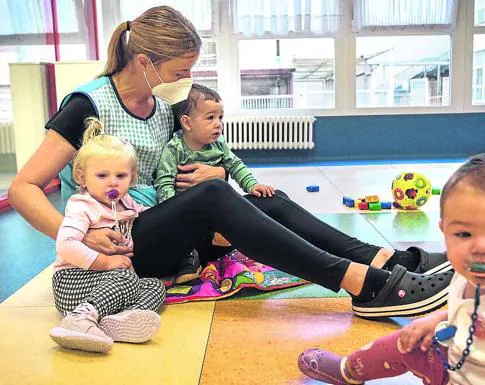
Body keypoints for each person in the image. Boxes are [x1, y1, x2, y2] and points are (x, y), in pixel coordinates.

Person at [7, 5, 452, 319]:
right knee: (218, 195)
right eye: (180, 71)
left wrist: (215, 174)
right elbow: (22, 188)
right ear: (144, 62)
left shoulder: (163, 108)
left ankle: (389, 258)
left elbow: (183, 173)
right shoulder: (87, 105)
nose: (186, 81)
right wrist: (83, 243)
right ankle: (365, 285)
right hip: (118, 248)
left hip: (160, 231)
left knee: (269, 200)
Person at [298, 153, 485, 385]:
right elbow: (472, 309)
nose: (481, 248)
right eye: (464, 234)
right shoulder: (469, 274)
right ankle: (349, 370)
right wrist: (432, 320)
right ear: (444, 232)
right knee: (406, 339)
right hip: (455, 368)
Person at [49, 118, 164, 353]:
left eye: (121, 176)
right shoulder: (82, 205)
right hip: (72, 281)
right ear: (82, 177)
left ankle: (119, 321)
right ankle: (80, 318)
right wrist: (106, 262)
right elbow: (65, 245)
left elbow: (148, 216)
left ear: (132, 177)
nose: (112, 182)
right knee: (125, 276)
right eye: (102, 176)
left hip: (107, 284)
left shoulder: (126, 201)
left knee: (155, 285)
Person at [153, 84, 275, 284]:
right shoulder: (175, 149)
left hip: (216, 208)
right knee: (187, 235)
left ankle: (226, 241)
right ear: (187, 123)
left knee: (241, 214)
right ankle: (188, 260)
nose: (218, 124)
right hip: (187, 211)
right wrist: (172, 209)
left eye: (220, 118)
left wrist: (252, 185)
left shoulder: (219, 145)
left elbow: (235, 165)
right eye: (210, 118)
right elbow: (164, 181)